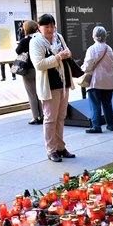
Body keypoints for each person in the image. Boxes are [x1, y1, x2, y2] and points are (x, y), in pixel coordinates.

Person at [29, 13, 76, 163]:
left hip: (63, 82)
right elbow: (39, 64)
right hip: (49, 85)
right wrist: (58, 57)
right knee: (50, 118)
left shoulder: (59, 37)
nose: (50, 29)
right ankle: (51, 150)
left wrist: (66, 53)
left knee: (61, 117)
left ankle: (61, 147)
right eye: (46, 26)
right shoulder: (36, 42)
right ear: (39, 27)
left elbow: (67, 51)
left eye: (52, 26)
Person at [81, 26, 113, 133]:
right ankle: (111, 124)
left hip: (96, 81)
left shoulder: (92, 49)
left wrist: (82, 68)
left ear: (93, 36)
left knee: (95, 104)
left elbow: (87, 66)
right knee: (107, 104)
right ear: (105, 36)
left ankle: (96, 126)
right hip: (109, 81)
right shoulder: (109, 49)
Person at [15, 20, 43, 124]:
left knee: (31, 93)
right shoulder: (39, 39)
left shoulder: (24, 40)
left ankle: (35, 117)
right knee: (40, 92)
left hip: (28, 70)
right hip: (39, 68)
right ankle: (42, 115)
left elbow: (17, 51)